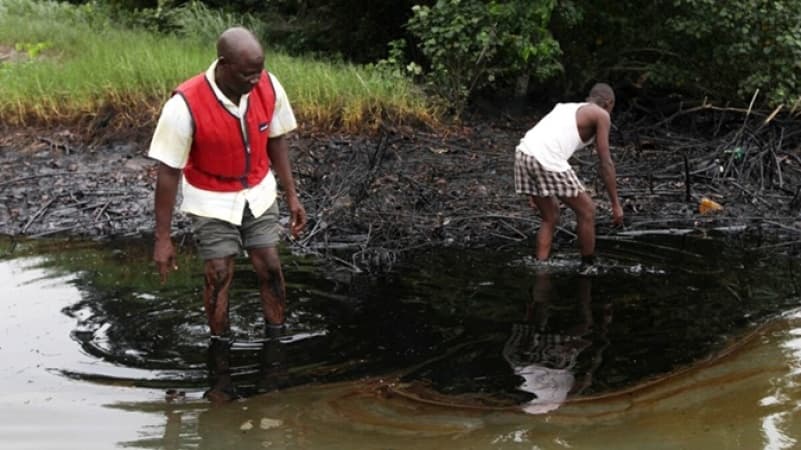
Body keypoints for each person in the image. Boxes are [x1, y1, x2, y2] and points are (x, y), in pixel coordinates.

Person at [149, 27, 307, 339]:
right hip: (211, 198)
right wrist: (162, 239)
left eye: (259, 72)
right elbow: (168, 173)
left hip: (258, 191)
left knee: (271, 266)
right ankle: (220, 347)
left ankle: (277, 338)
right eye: (248, 74)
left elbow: (277, 140)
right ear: (223, 64)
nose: (255, 80)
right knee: (219, 273)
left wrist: (292, 196)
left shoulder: (268, 86)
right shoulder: (184, 105)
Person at [514, 83, 623, 271]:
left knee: (550, 216)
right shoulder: (601, 114)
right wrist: (616, 204)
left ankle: (540, 267)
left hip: (523, 154)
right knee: (587, 210)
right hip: (545, 158)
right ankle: (588, 267)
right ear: (609, 103)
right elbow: (605, 162)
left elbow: (543, 138)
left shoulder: (565, 107)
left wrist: (535, 190)